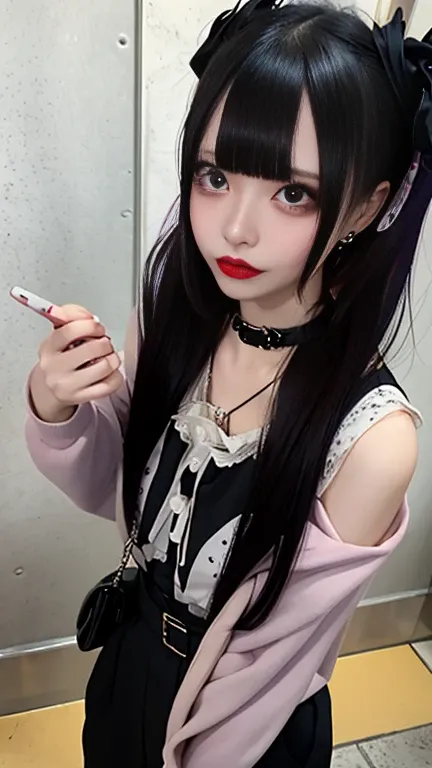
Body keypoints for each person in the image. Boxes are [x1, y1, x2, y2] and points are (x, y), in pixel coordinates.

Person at [24, 2, 432, 767]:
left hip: (247, 729)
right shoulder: (173, 326)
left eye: (293, 193)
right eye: (215, 176)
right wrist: (60, 406)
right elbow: (116, 490)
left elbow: (271, 661)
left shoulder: (373, 441)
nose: (235, 227)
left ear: (368, 206)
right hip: (129, 667)